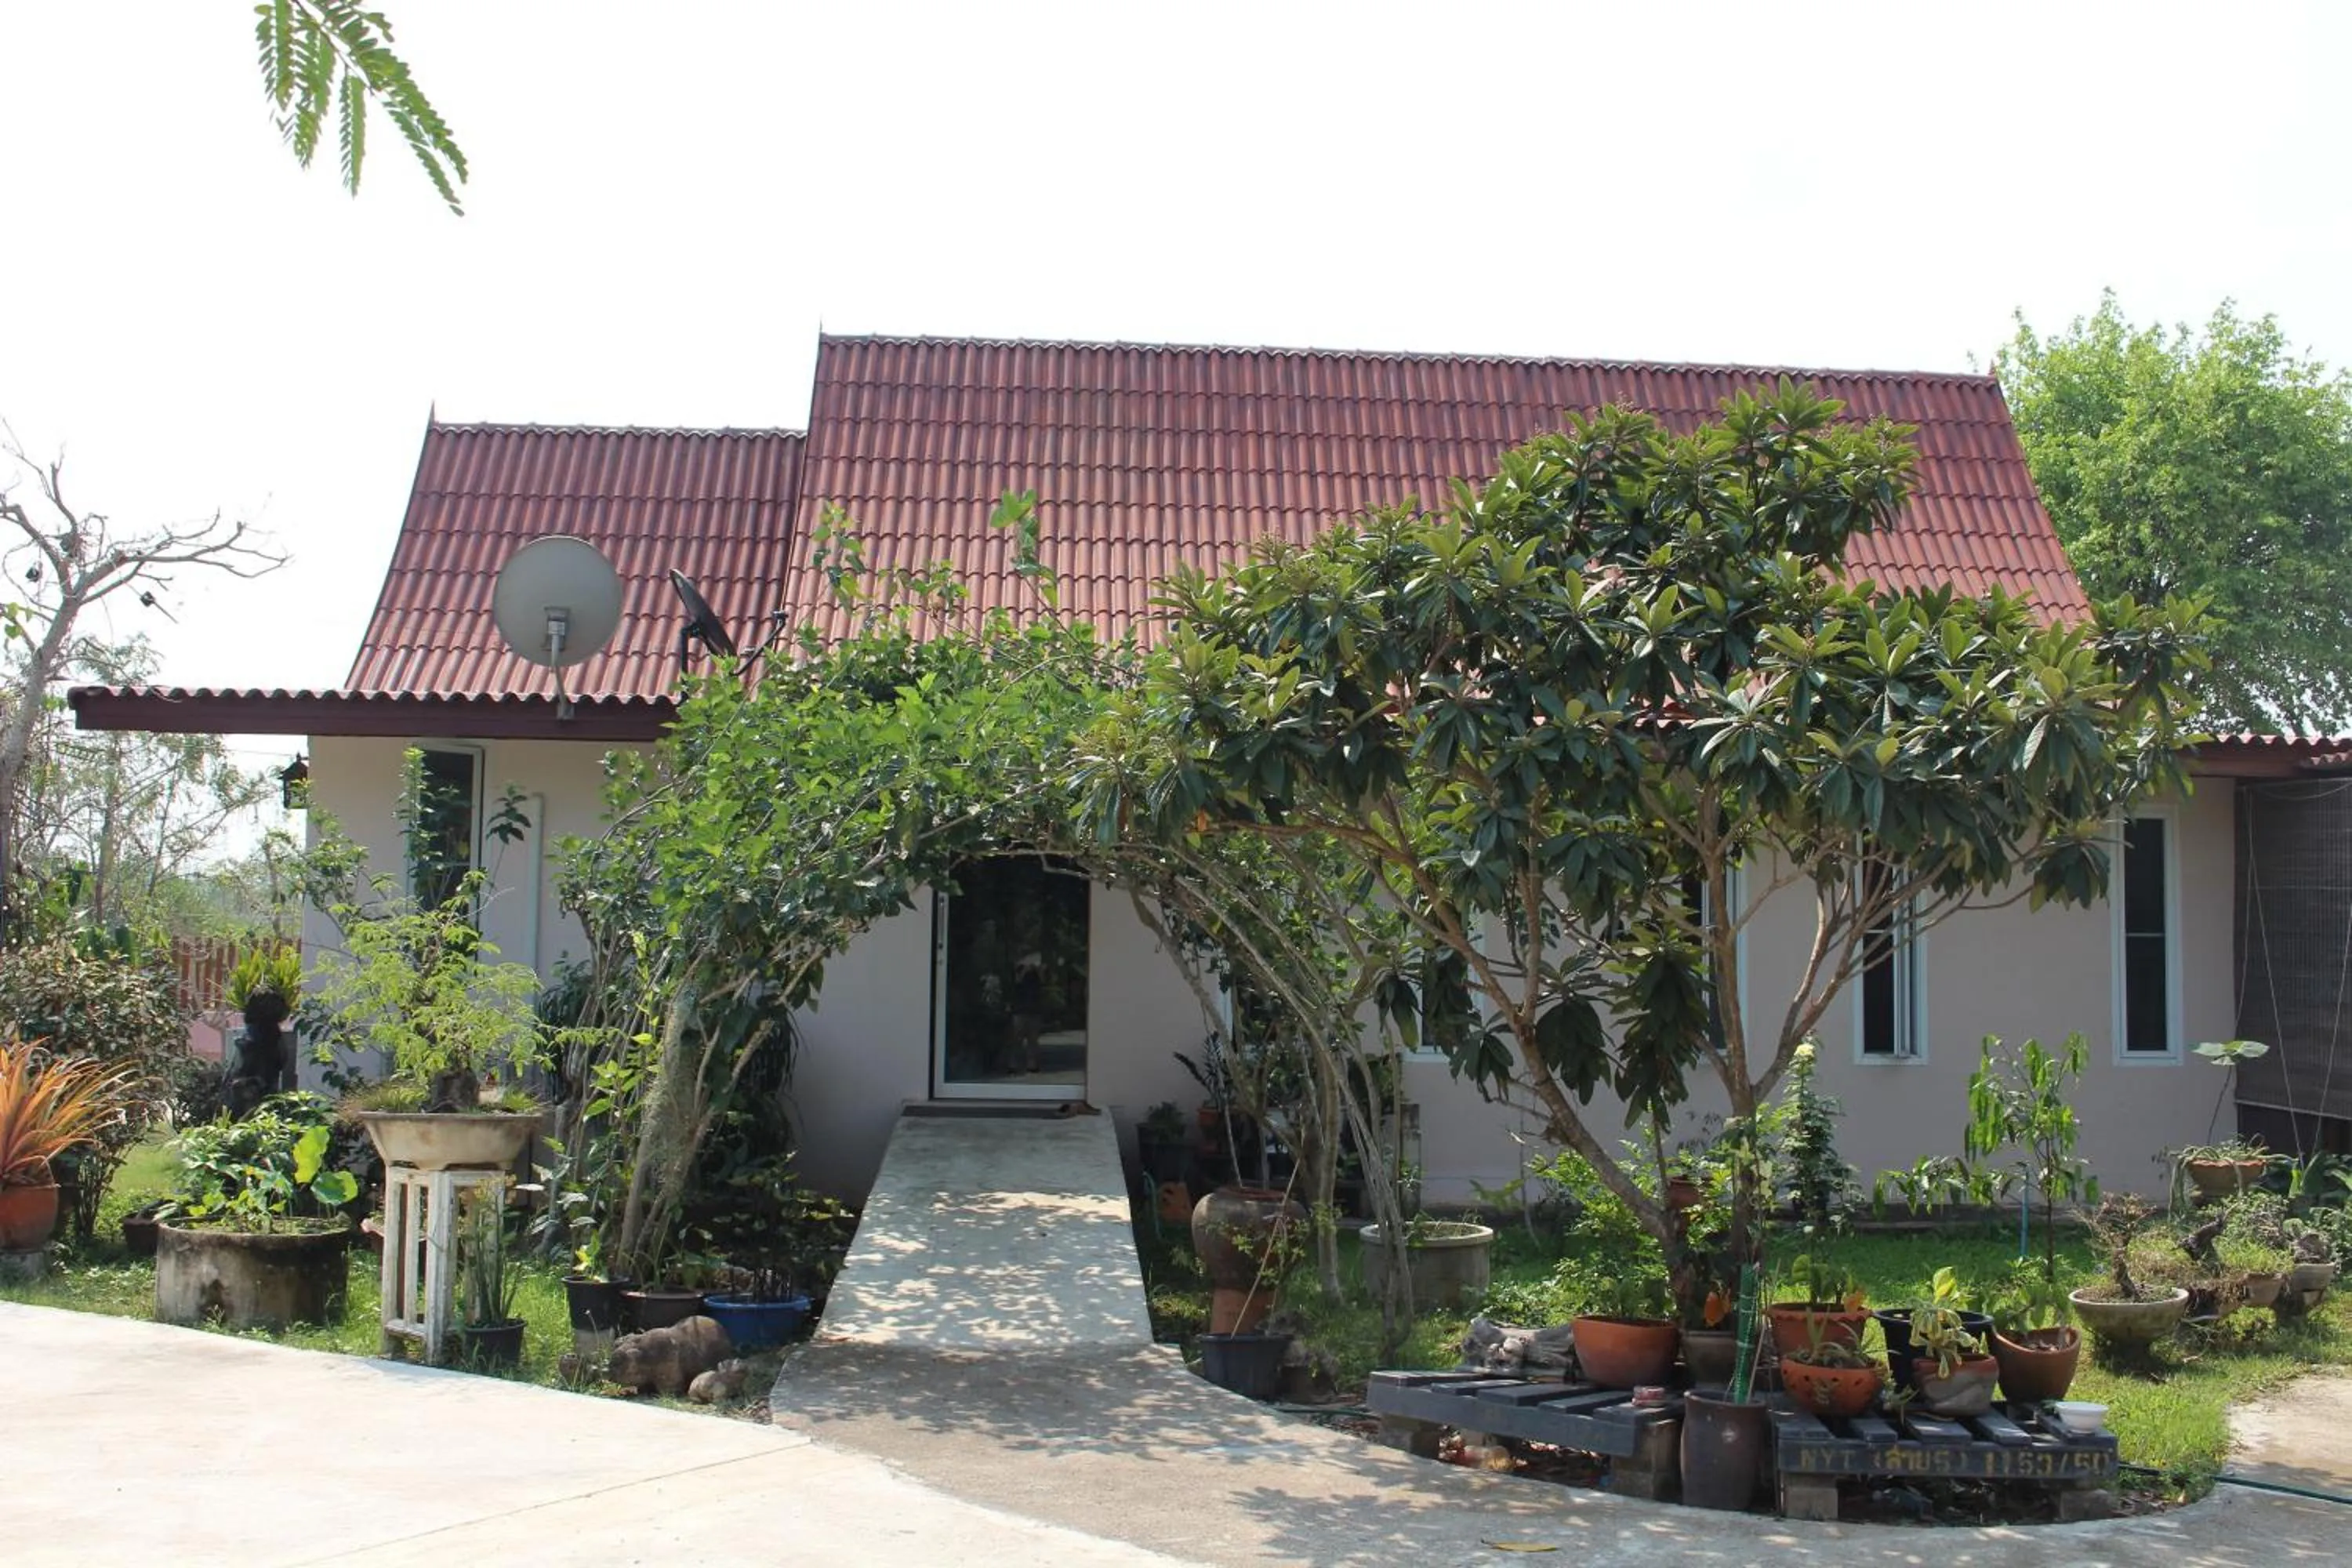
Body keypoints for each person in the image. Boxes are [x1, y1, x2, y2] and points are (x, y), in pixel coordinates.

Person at [1008, 953, 1045, 1075]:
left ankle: (1032, 1065)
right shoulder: (1018, 969)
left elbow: (1043, 981)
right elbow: (1016, 982)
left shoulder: (1038, 970)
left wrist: (1038, 970)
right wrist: (1024, 970)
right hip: (1020, 1009)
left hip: (1035, 1009)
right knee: (1016, 1039)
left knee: (1033, 1039)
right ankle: (1013, 1064)